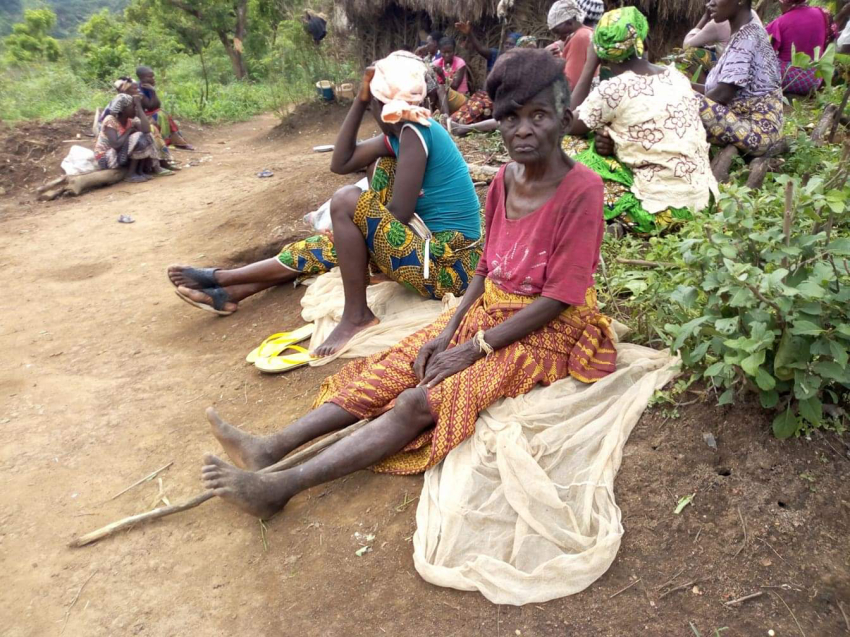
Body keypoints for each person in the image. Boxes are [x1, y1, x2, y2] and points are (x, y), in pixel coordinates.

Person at [197, 48, 617, 521]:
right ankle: (270, 447)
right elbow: (484, 269)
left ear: (564, 118)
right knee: (398, 364)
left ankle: (283, 487)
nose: (523, 129)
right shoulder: (504, 179)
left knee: (421, 399)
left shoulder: (582, 190)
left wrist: (474, 347)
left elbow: (559, 298)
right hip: (491, 311)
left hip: (549, 330)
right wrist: (448, 331)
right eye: (510, 117)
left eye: (538, 115)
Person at [168, 52, 482, 357]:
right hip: (430, 252)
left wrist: (359, 231)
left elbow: (397, 215)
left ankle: (354, 315)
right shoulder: (400, 135)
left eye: (370, 103)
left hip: (448, 269)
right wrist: (359, 103)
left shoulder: (416, 132)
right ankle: (229, 290)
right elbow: (341, 161)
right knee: (351, 221)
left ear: (382, 105)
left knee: (347, 203)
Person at [565, 7, 717, 234]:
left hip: (655, 214)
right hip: (703, 203)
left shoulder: (613, 89)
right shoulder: (675, 76)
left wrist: (589, 65)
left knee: (567, 147)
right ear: (643, 42)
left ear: (601, 53)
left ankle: (624, 222)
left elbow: (568, 123)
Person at [694, 0, 784, 172]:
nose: (709, 3)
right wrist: (676, 82)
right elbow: (711, 91)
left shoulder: (748, 36)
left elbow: (722, 95)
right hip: (744, 122)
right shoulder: (744, 33)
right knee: (676, 91)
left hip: (757, 130)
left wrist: (679, 94)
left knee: (676, 101)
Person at [448, 25, 532, 128]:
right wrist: (469, 33)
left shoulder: (520, 66)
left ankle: (458, 126)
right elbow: (479, 48)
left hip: (495, 100)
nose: (507, 46)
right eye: (506, 43)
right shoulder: (497, 55)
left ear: (518, 47)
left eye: (511, 44)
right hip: (481, 94)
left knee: (478, 109)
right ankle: (450, 122)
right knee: (467, 107)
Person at [766, 0, 833, 95]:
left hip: (788, 79)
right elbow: (830, 38)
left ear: (785, 2)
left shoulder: (780, 22)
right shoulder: (822, 14)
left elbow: (763, 51)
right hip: (815, 78)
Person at [681, 6, 764, 80]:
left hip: (732, 72)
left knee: (689, 54)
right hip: (756, 72)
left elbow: (687, 45)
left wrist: (705, 17)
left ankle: (706, 89)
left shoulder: (719, 22)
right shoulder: (751, 13)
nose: (710, 3)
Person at [94, 93, 160, 183]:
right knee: (137, 136)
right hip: (105, 158)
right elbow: (115, 145)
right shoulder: (110, 120)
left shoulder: (131, 120)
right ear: (123, 109)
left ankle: (139, 171)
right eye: (133, 106)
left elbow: (147, 130)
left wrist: (139, 107)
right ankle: (130, 174)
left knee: (146, 135)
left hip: (119, 155)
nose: (135, 109)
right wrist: (129, 131)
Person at [136, 65, 194, 150]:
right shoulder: (138, 90)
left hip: (146, 114)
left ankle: (176, 140)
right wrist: (153, 91)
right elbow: (150, 106)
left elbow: (156, 105)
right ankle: (166, 141)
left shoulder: (147, 87)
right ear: (142, 78)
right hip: (139, 118)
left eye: (153, 76)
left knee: (161, 112)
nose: (153, 78)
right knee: (159, 114)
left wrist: (153, 91)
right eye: (150, 77)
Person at [546, 0, 593, 91]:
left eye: (557, 31)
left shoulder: (579, 37)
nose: (558, 36)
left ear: (569, 22)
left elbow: (570, 84)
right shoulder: (586, 33)